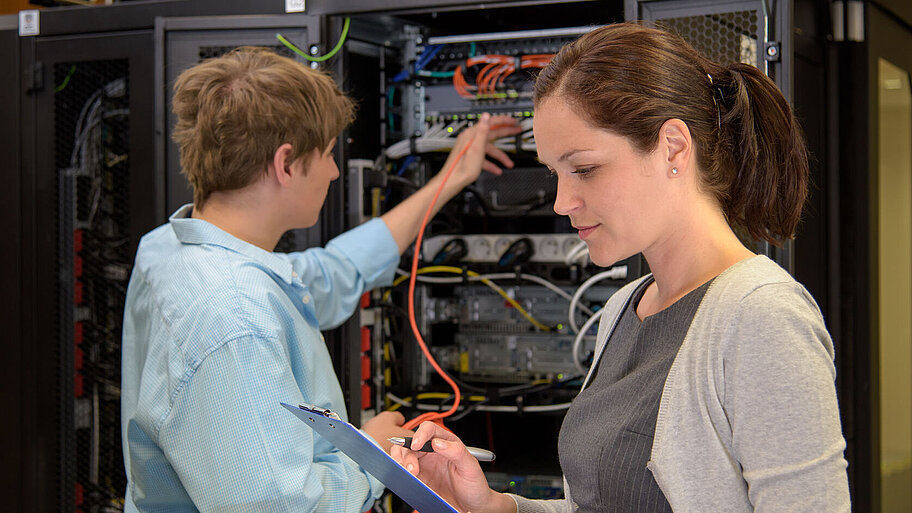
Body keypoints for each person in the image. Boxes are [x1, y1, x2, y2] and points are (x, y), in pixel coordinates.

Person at [391, 22, 851, 512]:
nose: (562, 202)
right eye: (555, 175)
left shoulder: (761, 317)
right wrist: (493, 506)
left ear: (673, 148)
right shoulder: (623, 309)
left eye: (584, 169)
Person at [120, 47, 519, 512]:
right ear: (286, 164)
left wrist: (449, 178)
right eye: (329, 153)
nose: (333, 171)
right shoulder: (232, 317)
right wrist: (371, 454)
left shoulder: (170, 247)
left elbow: (334, 271)